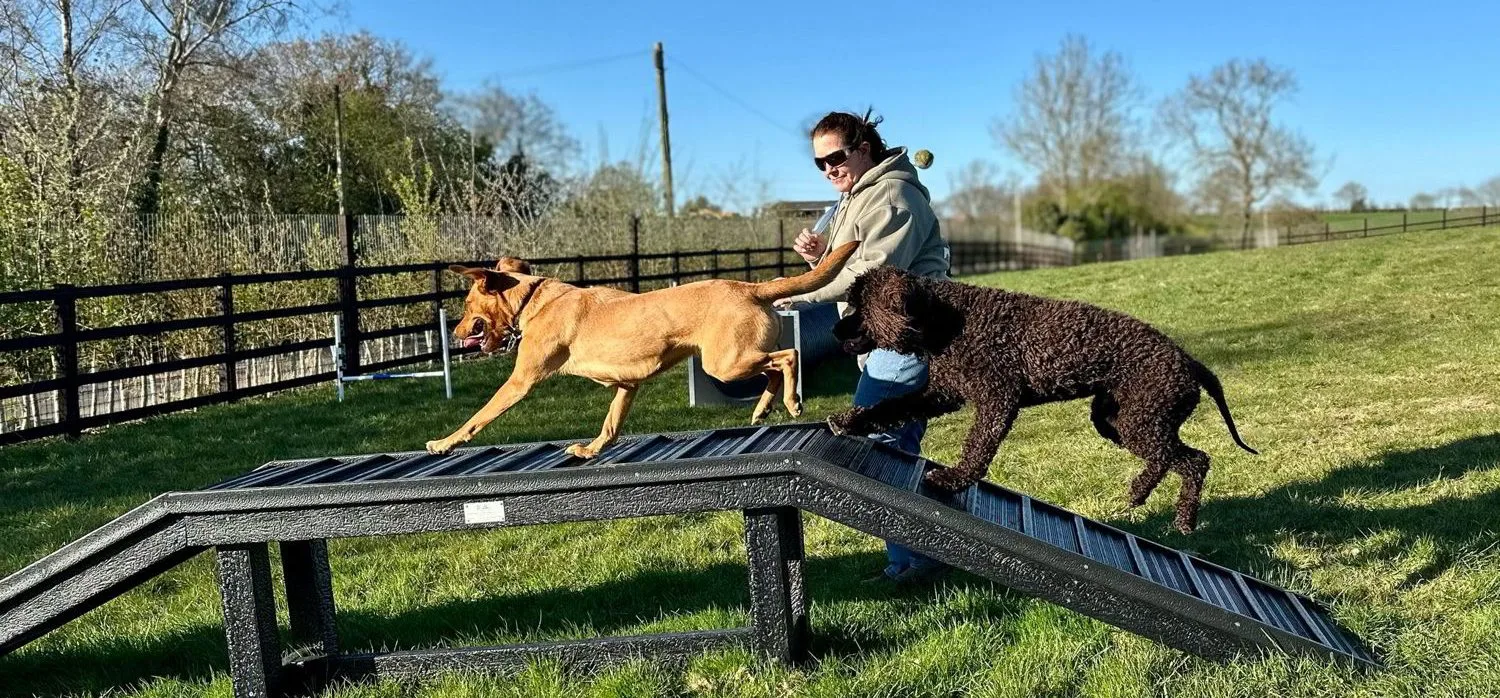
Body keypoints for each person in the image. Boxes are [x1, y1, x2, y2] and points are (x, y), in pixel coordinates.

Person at [777, 108, 953, 586]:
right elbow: (848, 262)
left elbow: (872, 273)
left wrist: (800, 290)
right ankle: (922, 556)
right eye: (819, 163)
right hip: (884, 340)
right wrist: (819, 257)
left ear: (864, 148)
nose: (828, 169)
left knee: (877, 447)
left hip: (906, 339)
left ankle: (918, 560)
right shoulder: (857, 196)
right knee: (892, 448)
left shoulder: (894, 195)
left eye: (835, 157)